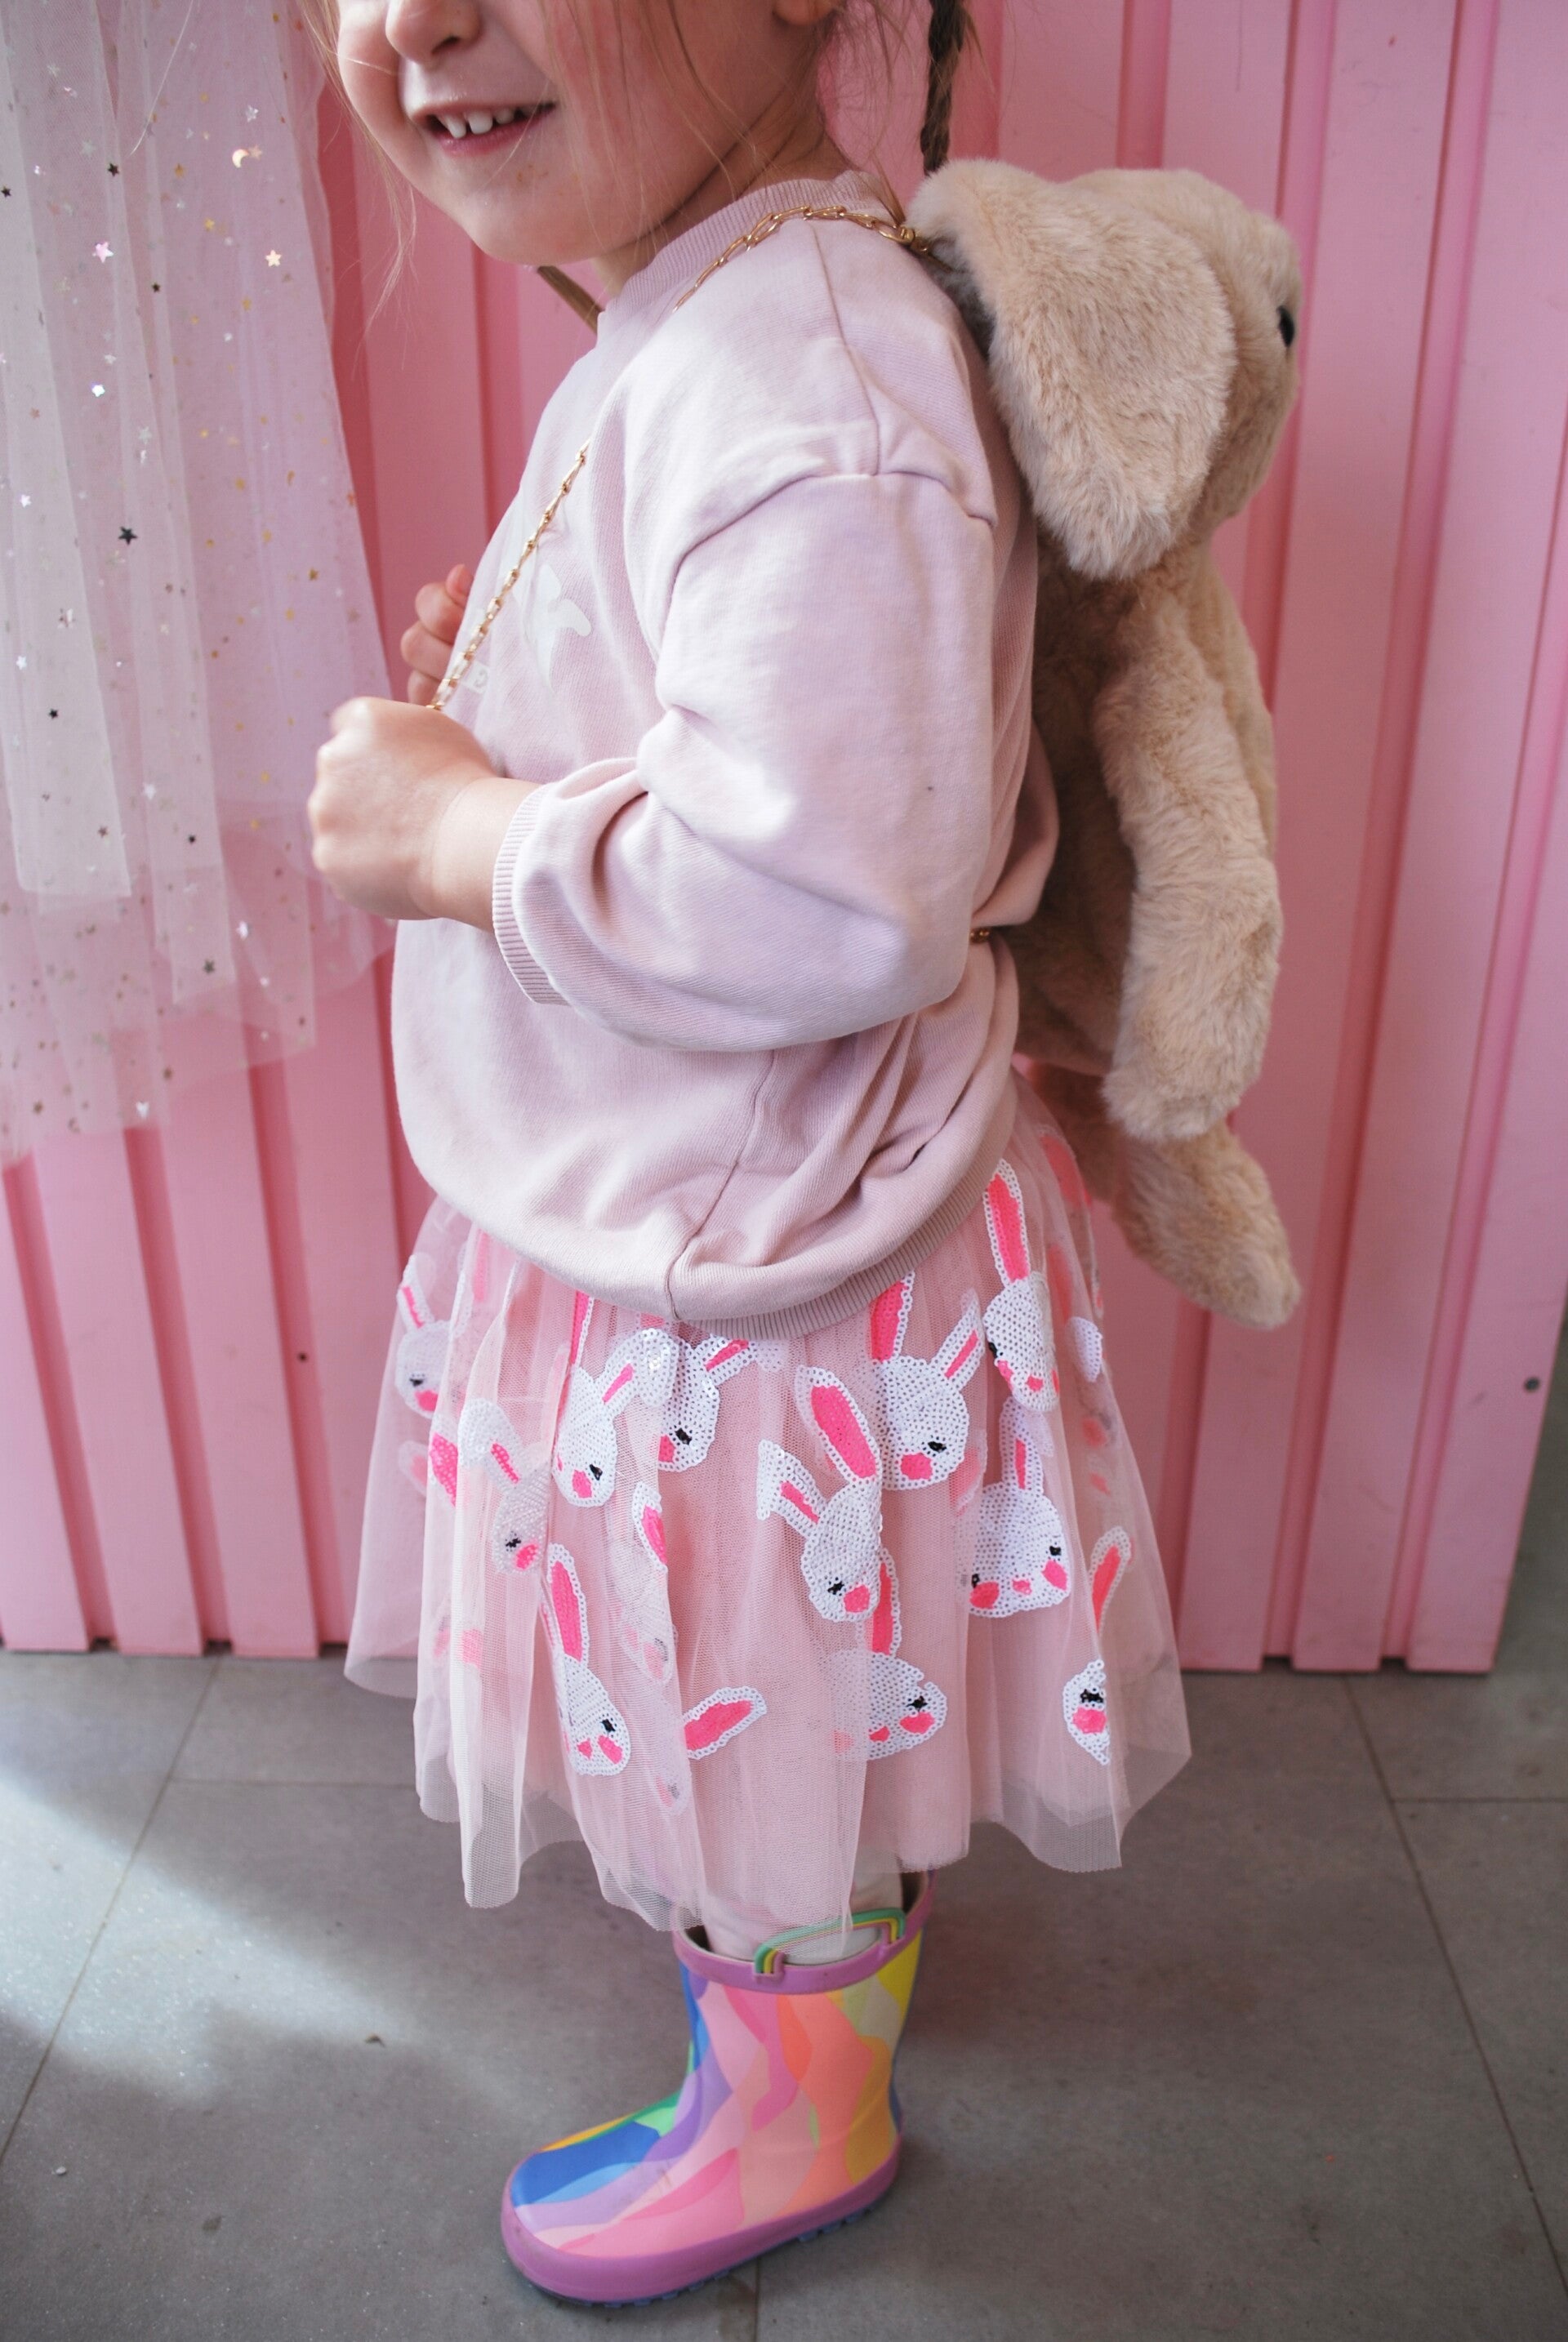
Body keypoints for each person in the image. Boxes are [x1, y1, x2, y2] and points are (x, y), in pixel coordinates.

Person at [307, 0, 1188, 2306]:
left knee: (760, 1695)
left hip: (761, 1281)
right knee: (777, 1701)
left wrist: (475, 838)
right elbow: (787, 745)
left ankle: (801, 2108)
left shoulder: (805, 374)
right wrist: (535, 717)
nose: (402, 23)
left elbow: (824, 892)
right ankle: (808, 1975)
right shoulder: (727, 314)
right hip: (735, 1207)